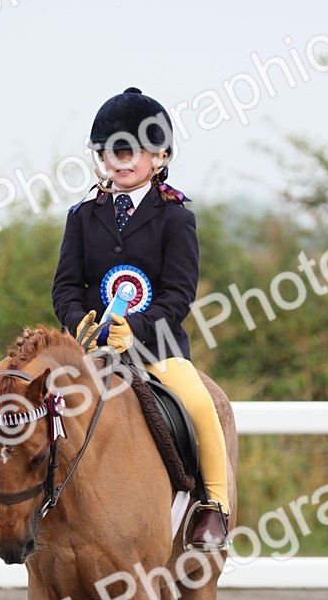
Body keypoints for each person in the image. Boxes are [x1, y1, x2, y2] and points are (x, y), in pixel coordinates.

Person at [50, 86, 230, 550]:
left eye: (128, 150)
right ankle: (30, 509)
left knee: (198, 402)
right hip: (90, 348)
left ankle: (213, 506)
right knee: (39, 403)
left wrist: (139, 327)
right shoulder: (83, 216)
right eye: (108, 151)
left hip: (156, 349)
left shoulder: (176, 218)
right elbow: (65, 288)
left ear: (160, 154)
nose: (118, 160)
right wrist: (79, 324)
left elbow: (179, 293)